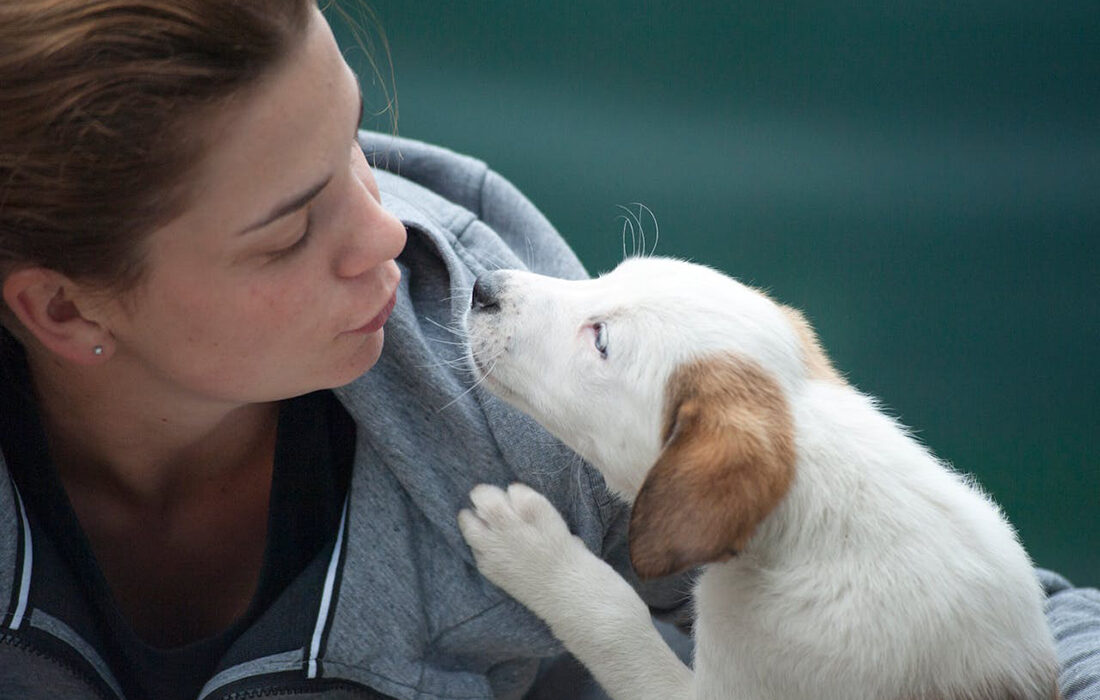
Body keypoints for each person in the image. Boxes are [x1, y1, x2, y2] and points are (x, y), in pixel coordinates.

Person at [0, 1, 1095, 699]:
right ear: (60, 310)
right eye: (291, 229)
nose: (389, 231)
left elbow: (1003, 626)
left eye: (352, 144)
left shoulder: (519, 419)